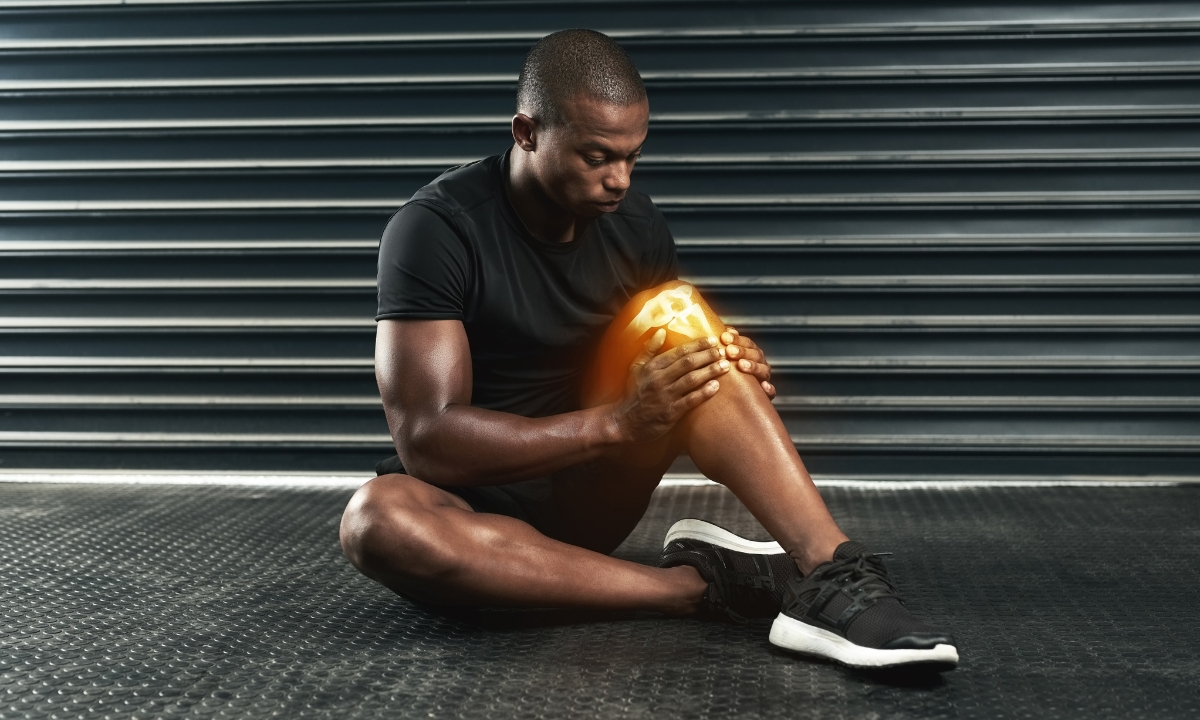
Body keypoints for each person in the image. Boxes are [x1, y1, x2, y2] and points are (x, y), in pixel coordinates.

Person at [340, 29, 958, 670]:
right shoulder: (437, 230)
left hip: (593, 489)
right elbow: (427, 437)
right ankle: (700, 588)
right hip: (475, 505)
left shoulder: (634, 222)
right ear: (526, 132)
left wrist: (728, 365)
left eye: (633, 157)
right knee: (376, 522)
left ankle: (832, 574)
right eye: (597, 157)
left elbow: (672, 361)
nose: (620, 180)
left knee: (699, 354)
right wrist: (616, 422)